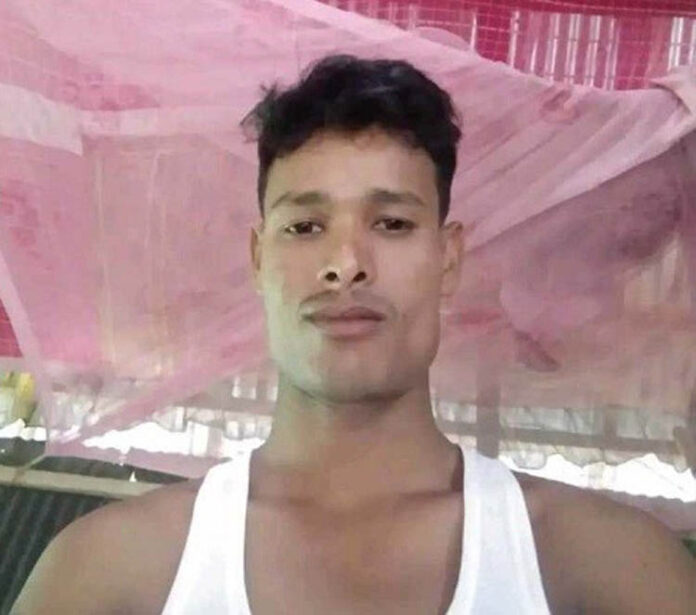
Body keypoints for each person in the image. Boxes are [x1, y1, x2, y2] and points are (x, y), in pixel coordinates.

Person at [11, 54, 696, 615]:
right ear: (258, 259)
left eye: (392, 223)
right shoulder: (112, 575)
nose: (345, 263)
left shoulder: (603, 570)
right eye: (305, 226)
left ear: (448, 259)